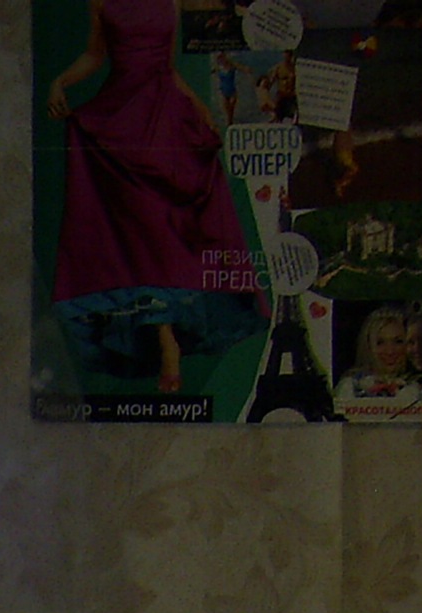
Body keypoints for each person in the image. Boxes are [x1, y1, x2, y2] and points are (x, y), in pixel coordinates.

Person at [48, 0, 265, 391]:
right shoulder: (100, 1)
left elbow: (169, 67)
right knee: (143, 237)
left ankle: (168, 336)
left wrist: (199, 107)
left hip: (167, 116)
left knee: (170, 234)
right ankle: (166, 341)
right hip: (122, 118)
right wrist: (60, 82)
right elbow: (95, 55)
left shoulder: (172, 1)